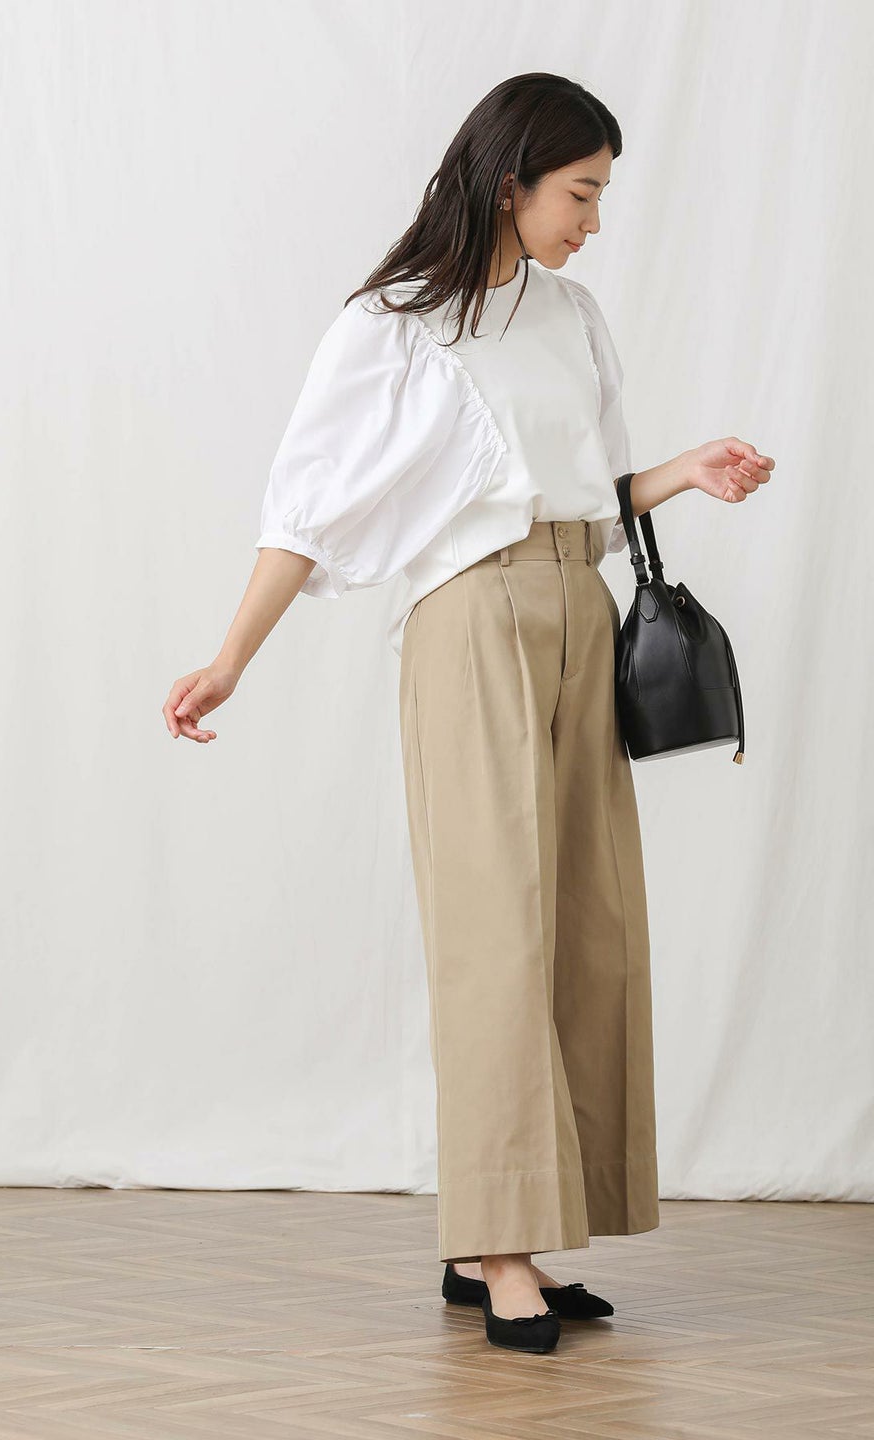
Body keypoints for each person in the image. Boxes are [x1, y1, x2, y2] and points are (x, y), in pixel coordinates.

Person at [161, 72, 773, 1354]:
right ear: (510, 183)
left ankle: (516, 1231)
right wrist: (231, 659)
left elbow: (585, 488)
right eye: (580, 194)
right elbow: (307, 507)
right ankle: (498, 1247)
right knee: (496, 929)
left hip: (579, 604)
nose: (595, 221)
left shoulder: (573, 315)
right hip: (470, 621)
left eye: (602, 196)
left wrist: (685, 472)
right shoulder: (393, 324)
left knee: (587, 925)